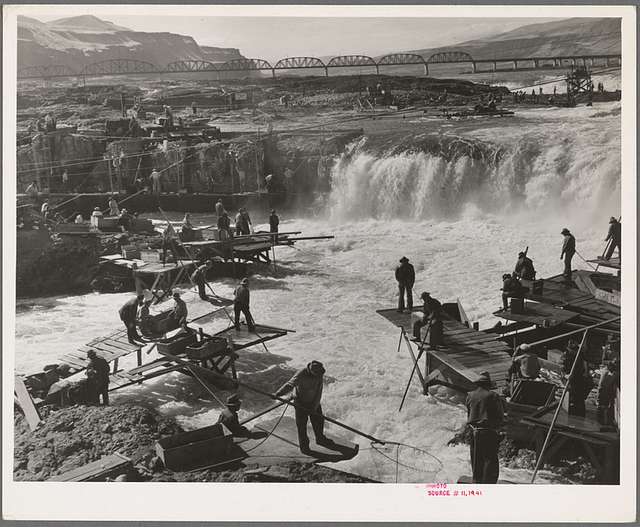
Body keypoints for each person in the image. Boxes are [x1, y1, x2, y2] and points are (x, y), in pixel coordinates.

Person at [274, 361, 336, 454]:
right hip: (300, 403)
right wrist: (278, 393)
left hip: (313, 401)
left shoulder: (319, 374)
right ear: (311, 371)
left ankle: (320, 439)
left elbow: (319, 392)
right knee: (302, 426)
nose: (318, 376)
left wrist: (314, 407)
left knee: (319, 421)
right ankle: (304, 447)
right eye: (316, 374)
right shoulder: (301, 374)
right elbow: (290, 384)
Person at [465, 371, 504, 484]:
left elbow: (469, 413)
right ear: (488, 384)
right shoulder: (493, 396)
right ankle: (488, 484)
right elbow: (499, 416)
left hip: (473, 431)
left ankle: (477, 481)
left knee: (476, 459)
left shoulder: (470, 395)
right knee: (489, 459)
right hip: (488, 432)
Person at [563, 339, 590, 417]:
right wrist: (565, 375)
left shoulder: (580, 353)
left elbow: (585, 363)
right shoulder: (566, 354)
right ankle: (572, 411)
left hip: (579, 377)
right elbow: (562, 367)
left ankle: (580, 412)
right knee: (572, 394)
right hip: (570, 377)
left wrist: (586, 372)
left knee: (579, 396)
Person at [597, 360, 619, 427]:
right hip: (604, 392)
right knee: (603, 407)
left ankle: (607, 422)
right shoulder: (606, 373)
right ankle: (603, 422)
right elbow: (601, 385)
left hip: (608, 393)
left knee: (607, 407)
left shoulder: (615, 374)